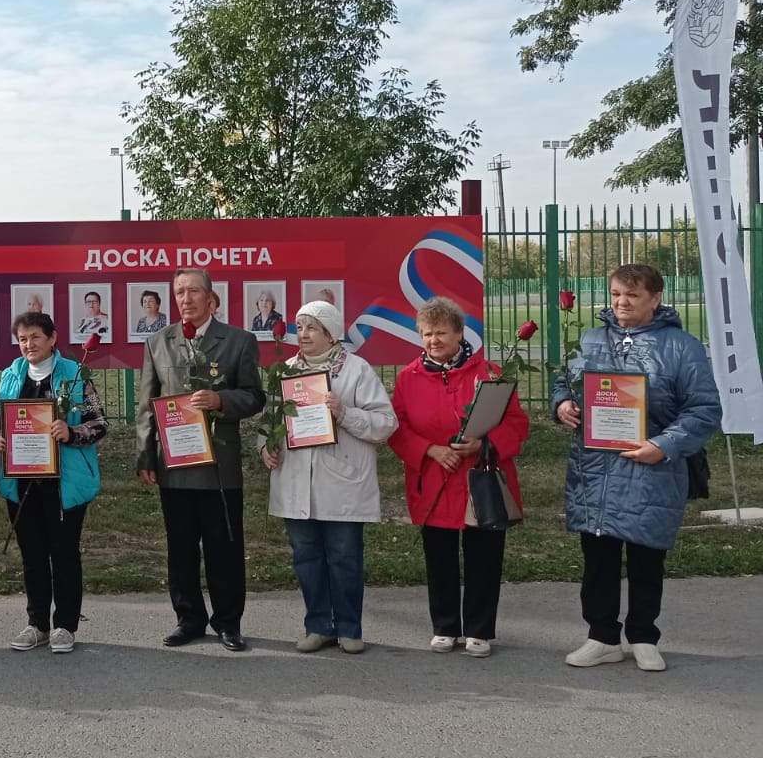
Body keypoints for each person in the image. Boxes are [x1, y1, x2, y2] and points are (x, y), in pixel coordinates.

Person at [553, 264, 720, 672]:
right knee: (599, 557)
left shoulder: (682, 346)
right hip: (595, 470)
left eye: (632, 295)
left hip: (652, 468)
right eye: (615, 294)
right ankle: (602, 636)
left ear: (655, 298)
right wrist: (563, 406)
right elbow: (564, 383)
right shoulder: (591, 340)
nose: (621, 303)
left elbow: (704, 408)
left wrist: (662, 446)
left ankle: (644, 636)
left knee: (647, 558)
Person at [389, 297, 530, 657]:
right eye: (427, 334)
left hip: (478, 480)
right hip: (434, 479)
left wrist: (485, 443)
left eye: (441, 333)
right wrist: (430, 450)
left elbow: (517, 424)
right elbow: (397, 429)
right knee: (439, 558)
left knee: (484, 556)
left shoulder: (491, 375)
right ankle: (445, 626)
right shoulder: (407, 378)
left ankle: (480, 629)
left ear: (459, 334)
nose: (433, 340)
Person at [135, 268, 265, 651]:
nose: (186, 299)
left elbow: (255, 396)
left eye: (193, 291)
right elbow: (146, 405)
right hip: (174, 465)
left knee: (224, 546)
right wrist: (145, 455)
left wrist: (221, 401)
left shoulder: (239, 342)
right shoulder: (158, 342)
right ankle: (188, 619)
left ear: (212, 300)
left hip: (219, 468)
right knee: (180, 547)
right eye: (179, 292)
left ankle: (228, 622)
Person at [261, 301, 397, 653]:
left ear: (331, 333)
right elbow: (268, 422)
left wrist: (345, 413)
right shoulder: (285, 370)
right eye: (300, 327)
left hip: (343, 482)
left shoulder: (357, 370)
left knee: (344, 557)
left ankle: (350, 627)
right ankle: (318, 625)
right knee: (306, 557)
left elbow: (385, 424)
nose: (302, 334)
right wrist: (265, 446)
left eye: (312, 327)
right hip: (295, 482)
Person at [0, 311, 107, 652]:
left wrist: (72, 432)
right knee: (32, 554)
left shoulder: (74, 375)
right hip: (23, 482)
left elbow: (99, 423)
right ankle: (37, 623)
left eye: (35, 338)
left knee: (64, 552)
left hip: (65, 483)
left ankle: (65, 625)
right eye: (23, 339)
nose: (28, 345)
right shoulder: (11, 375)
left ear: (52, 338)